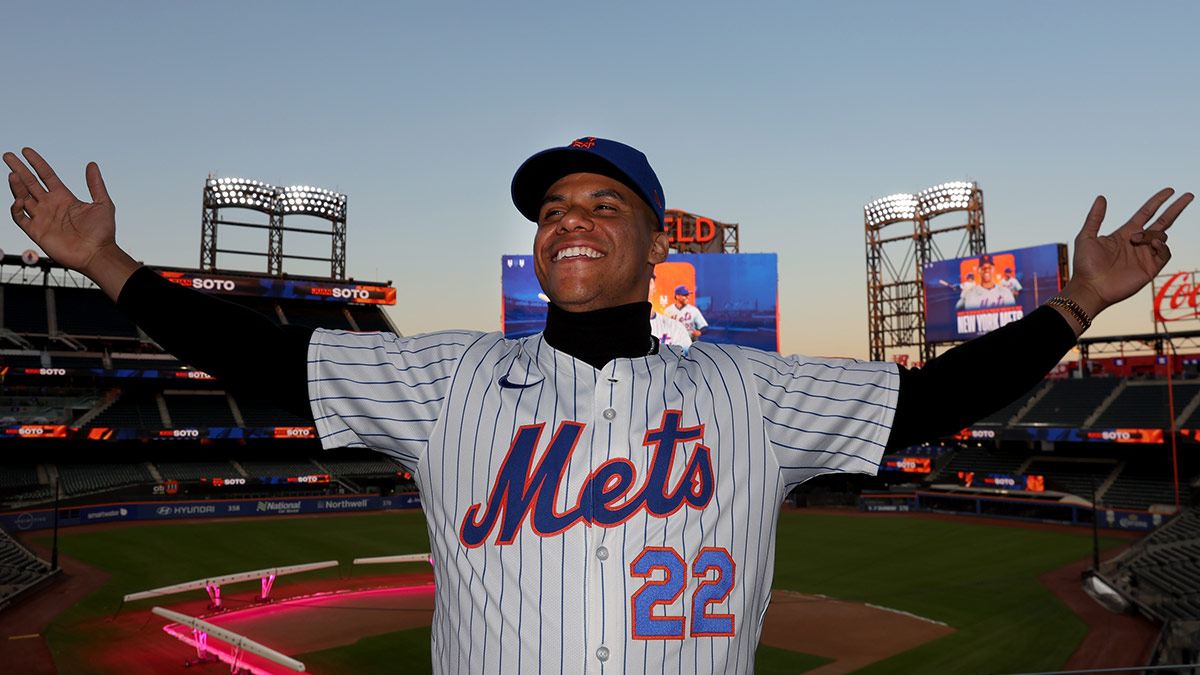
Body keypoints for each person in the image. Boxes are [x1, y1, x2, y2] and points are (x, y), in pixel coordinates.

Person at [5, 139, 1191, 673]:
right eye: (552, 206)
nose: (570, 218)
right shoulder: (444, 378)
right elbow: (261, 360)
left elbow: (932, 402)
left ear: (655, 244)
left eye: (604, 203)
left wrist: (1073, 306)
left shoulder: (750, 390)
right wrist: (115, 270)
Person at [648, 273, 691, 351]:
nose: (642, 287)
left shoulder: (676, 328)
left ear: (654, 287)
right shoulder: (619, 329)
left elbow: (687, 360)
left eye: (647, 281)